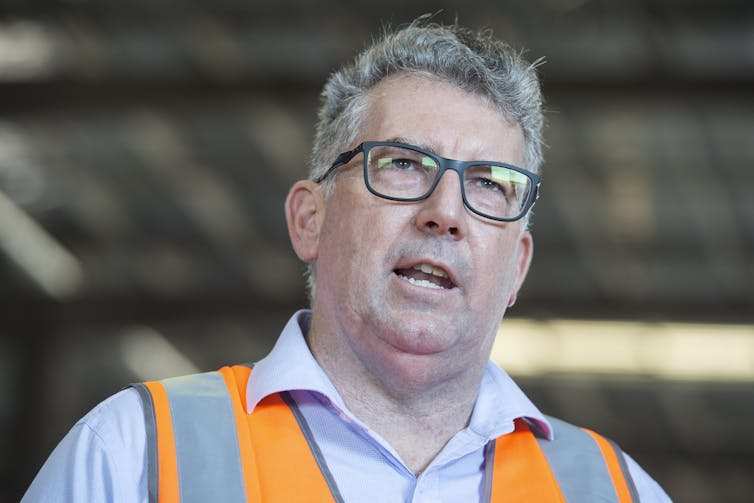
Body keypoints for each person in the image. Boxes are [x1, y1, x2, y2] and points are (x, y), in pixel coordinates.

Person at [23, 19, 672, 502]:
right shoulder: (133, 458)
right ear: (310, 218)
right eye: (401, 164)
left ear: (518, 268)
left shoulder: (618, 491)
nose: (445, 211)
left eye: (488, 183)